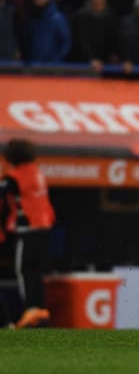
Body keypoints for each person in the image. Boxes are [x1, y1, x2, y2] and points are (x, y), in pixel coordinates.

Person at [0, 139, 55, 328]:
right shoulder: (37, 172)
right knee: (35, 270)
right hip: (44, 226)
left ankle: (31, 308)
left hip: (28, 227)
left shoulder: (14, 176)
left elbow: (4, 190)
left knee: (22, 269)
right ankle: (39, 308)